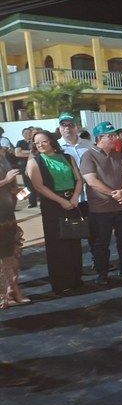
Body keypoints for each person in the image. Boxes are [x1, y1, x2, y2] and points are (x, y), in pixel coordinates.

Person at [26, 130, 85, 294]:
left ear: (51, 141)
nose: (41, 145)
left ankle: (76, 279)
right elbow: (39, 187)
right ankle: (62, 283)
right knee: (58, 245)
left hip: (72, 203)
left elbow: (79, 179)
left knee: (73, 242)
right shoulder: (35, 162)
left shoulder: (67, 157)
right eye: (37, 143)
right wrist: (61, 201)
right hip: (52, 206)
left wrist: (74, 198)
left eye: (43, 141)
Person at [79, 121, 122, 285]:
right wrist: (113, 193)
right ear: (100, 138)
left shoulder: (119, 155)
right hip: (100, 209)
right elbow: (91, 181)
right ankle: (102, 273)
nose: (114, 138)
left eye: (114, 135)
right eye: (110, 136)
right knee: (101, 242)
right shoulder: (89, 156)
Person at [58, 112, 97, 269]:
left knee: (94, 232)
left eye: (71, 125)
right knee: (71, 233)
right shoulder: (56, 148)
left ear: (77, 127)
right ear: (59, 128)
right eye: (64, 125)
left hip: (91, 197)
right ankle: (75, 267)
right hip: (69, 199)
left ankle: (98, 262)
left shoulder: (88, 145)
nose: (68, 128)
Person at [0, 149, 26, 307]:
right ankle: (4, 295)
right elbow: (6, 181)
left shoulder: (3, 158)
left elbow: (10, 188)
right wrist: (5, 180)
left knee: (11, 255)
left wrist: (22, 193)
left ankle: (13, 289)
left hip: (7, 214)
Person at [14, 127, 37, 207]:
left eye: (29, 133)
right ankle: (29, 201)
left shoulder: (34, 142)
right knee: (27, 184)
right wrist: (30, 153)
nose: (27, 134)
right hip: (24, 166)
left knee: (35, 183)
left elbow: (37, 152)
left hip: (35, 165)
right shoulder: (20, 142)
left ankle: (25, 198)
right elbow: (17, 153)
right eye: (25, 133)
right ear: (22, 134)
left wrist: (23, 151)